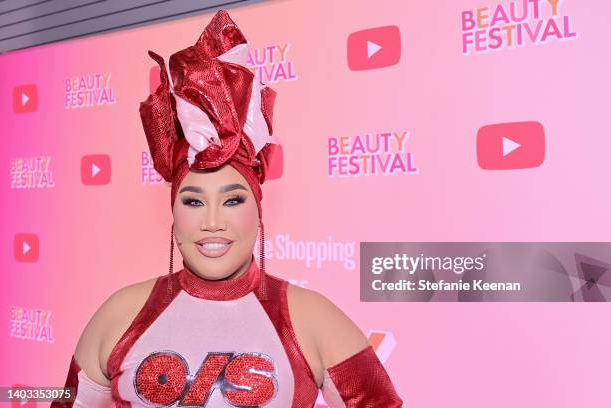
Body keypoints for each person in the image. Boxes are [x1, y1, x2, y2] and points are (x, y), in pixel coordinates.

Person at [51, 9, 403, 407]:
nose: (212, 222)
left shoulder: (311, 319)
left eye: (233, 199)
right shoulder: (119, 314)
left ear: (257, 209)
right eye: (194, 201)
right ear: (174, 213)